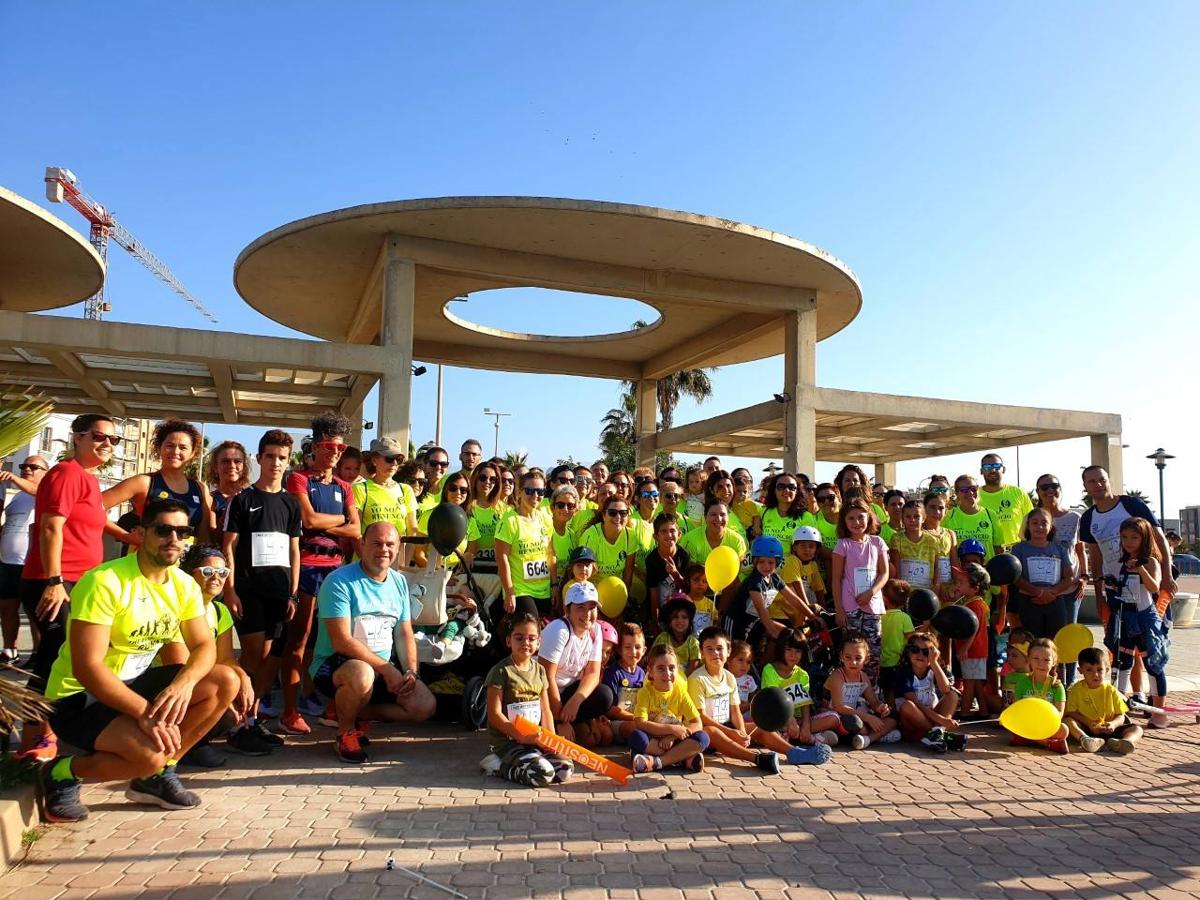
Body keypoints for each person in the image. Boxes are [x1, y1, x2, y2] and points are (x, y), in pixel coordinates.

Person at [36, 499, 240, 822]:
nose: (174, 539)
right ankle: (63, 772)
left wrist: (183, 686)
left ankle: (157, 776)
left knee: (225, 681)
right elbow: (87, 669)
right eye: (164, 530)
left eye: (182, 531)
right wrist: (146, 714)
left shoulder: (183, 584)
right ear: (143, 533)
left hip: (131, 687)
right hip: (79, 699)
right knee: (150, 755)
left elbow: (204, 646)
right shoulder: (105, 582)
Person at [20, 415, 117, 759]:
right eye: (99, 437)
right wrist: (54, 581)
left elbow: (96, 519)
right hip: (57, 581)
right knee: (52, 657)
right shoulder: (65, 474)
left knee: (62, 656)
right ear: (77, 437)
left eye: (113, 440)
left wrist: (128, 536)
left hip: (77, 582)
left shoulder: (87, 480)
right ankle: (34, 739)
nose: (107, 444)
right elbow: (50, 528)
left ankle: (47, 734)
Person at [309, 522, 436, 764]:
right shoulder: (339, 582)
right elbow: (341, 641)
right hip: (338, 665)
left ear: (398, 548)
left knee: (424, 705)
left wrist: (410, 672)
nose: (383, 550)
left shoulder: (398, 582)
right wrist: (388, 669)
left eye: (390, 544)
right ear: (362, 545)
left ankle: (354, 711)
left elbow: (404, 631)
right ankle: (344, 732)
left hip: (381, 667)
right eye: (376, 543)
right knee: (362, 674)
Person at [221, 430, 301, 755]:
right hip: (249, 591)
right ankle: (236, 722)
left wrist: (293, 594)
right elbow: (227, 547)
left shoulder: (291, 503)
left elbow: (294, 550)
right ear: (259, 459)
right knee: (253, 654)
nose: (276, 463)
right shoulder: (242, 500)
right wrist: (230, 591)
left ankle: (253, 720)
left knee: (272, 659)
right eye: (270, 456)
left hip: (280, 595)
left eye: (282, 457)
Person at [281, 412, 361, 734]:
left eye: (340, 448)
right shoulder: (299, 479)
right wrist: (337, 520)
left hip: (337, 570)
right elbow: (309, 521)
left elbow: (356, 529)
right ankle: (289, 709)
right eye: (329, 446)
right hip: (307, 567)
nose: (335, 453)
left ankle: (329, 704)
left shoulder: (345, 486)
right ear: (315, 447)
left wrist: (329, 521)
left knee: (336, 641)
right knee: (298, 640)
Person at [175, 545, 255, 768]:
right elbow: (178, 664)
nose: (216, 578)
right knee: (226, 687)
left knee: (238, 680)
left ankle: (194, 740)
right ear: (189, 574)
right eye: (208, 572)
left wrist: (244, 679)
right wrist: (224, 695)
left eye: (223, 573)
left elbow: (227, 658)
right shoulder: (177, 607)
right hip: (175, 682)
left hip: (202, 679)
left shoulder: (219, 610)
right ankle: (178, 749)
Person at [480, 613, 572, 787]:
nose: (525, 643)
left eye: (531, 638)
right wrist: (521, 737)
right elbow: (494, 714)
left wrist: (551, 740)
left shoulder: (540, 671)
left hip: (534, 740)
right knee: (542, 774)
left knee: (565, 769)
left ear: (538, 643)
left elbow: (545, 710)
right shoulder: (500, 672)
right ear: (509, 641)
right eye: (519, 638)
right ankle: (498, 766)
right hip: (508, 743)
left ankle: (530, 761)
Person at [1080, 465, 1175, 620]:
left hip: (1146, 585)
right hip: (1115, 587)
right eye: (1092, 481)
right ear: (1085, 486)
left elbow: (1160, 538)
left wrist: (1167, 576)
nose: (1098, 484)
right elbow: (1096, 558)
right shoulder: (1088, 518)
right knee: (1120, 641)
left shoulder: (1131, 505)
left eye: (1102, 479)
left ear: (1108, 481)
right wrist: (1099, 596)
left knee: (1153, 638)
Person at [688, 626, 782, 773]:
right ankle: (756, 759)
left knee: (759, 726)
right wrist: (731, 733)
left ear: (728, 651)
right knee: (711, 731)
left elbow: (735, 710)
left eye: (719, 648)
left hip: (727, 728)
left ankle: (795, 752)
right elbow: (700, 717)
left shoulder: (730, 677)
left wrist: (742, 732)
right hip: (707, 735)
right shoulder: (697, 679)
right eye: (709, 649)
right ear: (701, 652)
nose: (715, 653)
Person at [104, 419, 213, 545]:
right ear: (159, 448)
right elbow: (93, 506)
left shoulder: (199, 488)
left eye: (183, 447)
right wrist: (126, 536)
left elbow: (204, 535)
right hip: (146, 560)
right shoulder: (143, 482)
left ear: (193, 453)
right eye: (169, 446)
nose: (176, 452)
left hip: (184, 562)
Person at [537, 582, 614, 743]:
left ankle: (576, 724)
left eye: (592, 607)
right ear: (567, 610)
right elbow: (545, 677)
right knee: (589, 739)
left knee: (605, 695)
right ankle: (556, 725)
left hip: (567, 694)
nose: (587, 614)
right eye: (580, 607)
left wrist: (576, 701)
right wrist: (560, 721)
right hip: (541, 695)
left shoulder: (596, 630)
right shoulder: (559, 630)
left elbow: (593, 673)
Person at [1107, 517, 1169, 705]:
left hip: (1145, 617)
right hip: (1126, 617)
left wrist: (1141, 569)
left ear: (1144, 538)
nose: (1128, 542)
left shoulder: (1150, 561)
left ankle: (1158, 710)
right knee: (1122, 662)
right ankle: (1118, 705)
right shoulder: (1123, 562)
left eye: (1134, 537)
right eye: (1124, 537)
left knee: (1152, 664)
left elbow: (1153, 587)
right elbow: (1127, 590)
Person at [830, 498, 888, 682]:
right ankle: (850, 691)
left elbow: (884, 573)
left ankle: (872, 693)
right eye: (851, 518)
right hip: (850, 608)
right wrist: (839, 609)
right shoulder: (842, 545)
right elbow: (836, 579)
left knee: (872, 652)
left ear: (869, 518)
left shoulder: (877, 542)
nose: (856, 522)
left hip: (872, 606)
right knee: (850, 653)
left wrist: (871, 592)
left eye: (860, 517)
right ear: (844, 522)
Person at [628, 644, 708, 774]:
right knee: (636, 737)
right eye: (660, 668)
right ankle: (681, 758)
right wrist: (672, 729)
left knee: (703, 738)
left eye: (672, 668)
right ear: (651, 671)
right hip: (654, 741)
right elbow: (640, 722)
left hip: (674, 741)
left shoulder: (680, 692)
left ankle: (656, 762)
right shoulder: (645, 692)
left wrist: (672, 736)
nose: (667, 674)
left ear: (678, 669)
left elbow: (697, 723)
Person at [0, 455, 48, 666]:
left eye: (33, 466)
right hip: (7, 562)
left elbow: (38, 491)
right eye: (23, 466)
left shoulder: (46, 492)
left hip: (30, 563)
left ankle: (39, 655)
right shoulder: (19, 495)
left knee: (34, 613)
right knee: (7, 608)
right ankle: (10, 650)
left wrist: (13, 477)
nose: (27, 469)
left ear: (46, 473)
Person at [729, 536, 819, 647]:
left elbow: (794, 600)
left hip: (754, 620)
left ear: (777, 563)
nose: (766, 566)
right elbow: (761, 609)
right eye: (761, 562)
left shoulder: (774, 578)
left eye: (771, 563)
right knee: (736, 651)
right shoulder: (754, 581)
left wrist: (812, 617)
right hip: (737, 621)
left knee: (789, 634)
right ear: (755, 561)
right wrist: (773, 632)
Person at [823, 631, 900, 749]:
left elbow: (873, 701)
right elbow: (839, 707)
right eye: (848, 657)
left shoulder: (863, 677)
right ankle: (876, 735)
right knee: (856, 723)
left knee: (893, 716)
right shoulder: (837, 676)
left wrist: (881, 708)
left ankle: (867, 739)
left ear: (866, 659)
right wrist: (868, 717)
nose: (853, 662)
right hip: (835, 717)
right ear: (841, 656)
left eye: (858, 658)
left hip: (855, 714)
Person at [1011, 508, 1078, 644]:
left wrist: (1051, 593)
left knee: (1055, 644)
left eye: (1044, 523)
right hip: (1029, 601)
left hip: (1055, 602)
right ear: (1028, 526)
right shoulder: (1019, 549)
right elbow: (1016, 577)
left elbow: (1069, 577)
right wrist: (1038, 592)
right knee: (1032, 643)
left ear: (1051, 526)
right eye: (1034, 523)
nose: (1039, 527)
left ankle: (1057, 666)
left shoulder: (1060, 549)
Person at [495, 471, 555, 619]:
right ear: (519, 492)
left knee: (544, 632)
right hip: (521, 590)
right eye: (530, 491)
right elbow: (502, 558)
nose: (535, 495)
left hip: (544, 589)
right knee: (530, 631)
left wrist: (555, 586)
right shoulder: (509, 521)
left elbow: (550, 554)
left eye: (540, 491)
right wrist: (509, 592)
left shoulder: (545, 518)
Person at [1034, 473, 1087, 633]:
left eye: (1054, 486)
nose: (1050, 490)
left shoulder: (1075, 518)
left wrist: (1084, 577)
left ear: (1060, 489)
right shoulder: (1031, 518)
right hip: (1040, 590)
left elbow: (1079, 549)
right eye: (1044, 487)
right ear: (1038, 492)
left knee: (1067, 637)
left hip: (1069, 590)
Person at [1064, 646, 1142, 754]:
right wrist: (1088, 722)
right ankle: (1085, 740)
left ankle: (1125, 742)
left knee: (1137, 729)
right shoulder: (1076, 689)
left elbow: (1121, 715)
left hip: (1109, 729)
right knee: (1067, 722)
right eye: (1089, 670)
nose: (1095, 674)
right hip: (1086, 728)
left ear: (1107, 669)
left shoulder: (1111, 690)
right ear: (1080, 670)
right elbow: (1070, 712)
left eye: (1099, 670)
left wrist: (1113, 724)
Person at [893, 633, 963, 751]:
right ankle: (938, 734)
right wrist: (941, 720)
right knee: (908, 706)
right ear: (908, 652)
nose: (920, 655)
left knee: (952, 695)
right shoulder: (903, 673)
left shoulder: (933, 670)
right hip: (912, 726)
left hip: (931, 718)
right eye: (915, 650)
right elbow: (916, 704)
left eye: (926, 652)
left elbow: (946, 689)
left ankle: (937, 734)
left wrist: (934, 663)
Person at [354, 437, 418, 563]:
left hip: (396, 566)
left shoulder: (406, 490)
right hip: (366, 563)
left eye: (398, 459)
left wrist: (404, 564)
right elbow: (356, 533)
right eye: (389, 458)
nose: (394, 463)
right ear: (374, 460)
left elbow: (412, 531)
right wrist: (367, 562)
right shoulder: (360, 489)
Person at [677, 500, 748, 609]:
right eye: (713, 515)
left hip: (727, 592)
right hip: (696, 593)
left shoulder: (737, 541)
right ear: (705, 517)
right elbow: (689, 576)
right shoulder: (691, 539)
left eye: (722, 515)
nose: (718, 519)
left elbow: (733, 578)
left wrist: (721, 609)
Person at [1006, 637, 1069, 754]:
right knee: (1011, 726)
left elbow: (1059, 713)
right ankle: (1047, 743)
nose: (1041, 663)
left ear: (1054, 662)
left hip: (1047, 725)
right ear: (1028, 659)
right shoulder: (1023, 681)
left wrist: (1045, 721)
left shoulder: (1057, 686)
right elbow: (1016, 707)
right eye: (1036, 659)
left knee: (1064, 730)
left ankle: (1027, 739)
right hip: (1027, 722)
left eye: (1046, 660)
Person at [577, 494, 641, 593]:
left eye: (623, 513)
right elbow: (581, 573)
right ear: (603, 516)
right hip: (590, 588)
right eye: (612, 513)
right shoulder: (591, 535)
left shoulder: (630, 535)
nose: (618, 517)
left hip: (615, 588)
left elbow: (628, 571)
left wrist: (625, 598)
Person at [950, 564, 991, 718]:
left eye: (961, 583)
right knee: (976, 681)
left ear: (975, 588)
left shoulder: (975, 605)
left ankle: (966, 711)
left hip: (973, 650)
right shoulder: (972, 602)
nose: (957, 585)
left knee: (969, 682)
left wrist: (964, 648)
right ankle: (983, 710)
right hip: (976, 650)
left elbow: (973, 630)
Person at [976, 453, 1033, 551]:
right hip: (987, 552)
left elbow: (1031, 521)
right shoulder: (975, 496)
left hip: (1017, 551)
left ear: (1004, 469)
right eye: (987, 467)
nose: (992, 470)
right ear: (981, 471)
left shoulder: (1018, 492)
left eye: (997, 466)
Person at [644, 513, 689, 629]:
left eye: (672, 531)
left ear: (679, 535)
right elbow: (653, 594)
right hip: (661, 611)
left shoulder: (684, 556)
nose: (669, 535)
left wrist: (675, 573)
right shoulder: (651, 560)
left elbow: (687, 589)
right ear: (655, 537)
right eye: (663, 531)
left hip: (680, 610)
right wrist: (656, 622)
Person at [602, 622, 646, 738]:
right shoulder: (613, 672)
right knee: (635, 728)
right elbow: (610, 709)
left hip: (639, 719)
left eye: (637, 647)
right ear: (619, 650)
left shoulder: (643, 674)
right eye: (627, 647)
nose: (633, 652)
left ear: (644, 650)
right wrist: (636, 718)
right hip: (616, 722)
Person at [206, 440, 251, 549]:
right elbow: (210, 538)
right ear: (215, 467)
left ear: (244, 467)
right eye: (225, 461)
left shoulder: (253, 498)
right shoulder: (209, 499)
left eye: (237, 461)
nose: (231, 465)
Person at [942, 476, 999, 561]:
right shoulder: (948, 516)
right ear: (957, 493)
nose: (970, 492)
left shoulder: (991, 515)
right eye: (964, 490)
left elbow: (998, 548)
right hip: (959, 571)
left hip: (987, 571)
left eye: (973, 488)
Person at [779, 526, 828, 623]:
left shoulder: (812, 565)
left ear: (816, 549)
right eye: (803, 546)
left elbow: (819, 590)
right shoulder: (792, 560)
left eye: (811, 546)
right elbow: (797, 585)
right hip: (783, 613)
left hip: (800, 611)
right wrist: (809, 610)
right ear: (794, 547)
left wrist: (825, 613)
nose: (807, 549)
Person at [752, 473, 812, 547]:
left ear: (797, 491)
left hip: (794, 558)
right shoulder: (764, 512)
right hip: (768, 558)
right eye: (781, 486)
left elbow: (810, 548)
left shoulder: (806, 517)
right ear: (774, 490)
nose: (786, 490)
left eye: (791, 487)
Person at [878, 580, 915, 695]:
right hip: (899, 662)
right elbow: (912, 639)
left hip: (882, 662)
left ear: (884, 599)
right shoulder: (904, 618)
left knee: (886, 690)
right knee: (899, 691)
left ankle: (889, 710)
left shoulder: (878, 617)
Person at [921, 490, 959, 596]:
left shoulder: (950, 534)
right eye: (932, 507)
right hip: (925, 588)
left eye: (941, 508)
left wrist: (957, 586)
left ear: (946, 511)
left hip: (947, 591)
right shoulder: (918, 532)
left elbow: (954, 564)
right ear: (924, 509)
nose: (937, 512)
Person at [651, 594, 701, 672]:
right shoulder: (662, 638)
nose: (680, 621)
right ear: (669, 621)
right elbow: (652, 660)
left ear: (690, 621)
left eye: (684, 617)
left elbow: (693, 670)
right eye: (675, 617)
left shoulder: (693, 643)